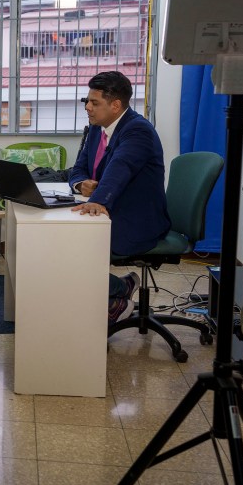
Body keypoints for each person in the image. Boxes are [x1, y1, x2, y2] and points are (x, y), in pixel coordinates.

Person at [68, 71, 171, 323]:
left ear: (115, 105)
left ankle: (114, 301)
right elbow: (77, 168)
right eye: (87, 101)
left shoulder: (138, 131)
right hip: (112, 209)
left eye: (94, 103)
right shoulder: (96, 128)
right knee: (63, 239)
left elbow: (120, 168)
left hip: (137, 220)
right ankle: (119, 287)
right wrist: (81, 185)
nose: (88, 108)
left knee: (69, 246)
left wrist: (99, 199)